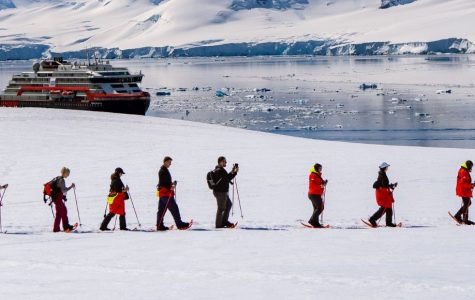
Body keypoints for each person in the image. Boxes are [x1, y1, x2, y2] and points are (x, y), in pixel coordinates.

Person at [156, 157, 190, 231]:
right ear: (165, 162)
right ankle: (180, 224)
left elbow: (164, 183)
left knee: (161, 210)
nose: (170, 164)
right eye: (169, 162)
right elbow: (163, 183)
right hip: (166, 193)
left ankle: (159, 225)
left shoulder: (164, 170)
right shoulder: (162, 171)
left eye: (170, 162)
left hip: (163, 194)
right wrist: (171, 186)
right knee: (174, 208)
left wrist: (172, 184)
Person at [367, 162, 398, 227]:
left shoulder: (382, 174)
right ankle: (373, 219)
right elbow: (382, 185)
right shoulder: (382, 175)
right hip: (383, 194)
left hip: (383, 193)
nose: (387, 168)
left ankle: (388, 223)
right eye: (387, 167)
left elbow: (384, 185)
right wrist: (391, 186)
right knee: (384, 208)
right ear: (384, 168)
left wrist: (391, 186)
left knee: (387, 208)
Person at [211, 156, 238, 228]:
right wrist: (234, 173)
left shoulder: (220, 170)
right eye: (224, 161)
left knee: (228, 205)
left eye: (225, 161)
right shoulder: (219, 170)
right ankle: (219, 225)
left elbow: (225, 177)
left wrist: (233, 172)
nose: (226, 163)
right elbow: (226, 178)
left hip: (223, 192)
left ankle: (224, 221)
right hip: (220, 193)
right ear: (220, 162)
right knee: (221, 208)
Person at [52, 167, 76, 232]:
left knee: (64, 211)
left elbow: (59, 189)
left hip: (58, 198)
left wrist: (63, 197)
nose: (68, 175)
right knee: (59, 213)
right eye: (68, 173)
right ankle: (56, 229)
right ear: (64, 173)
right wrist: (71, 186)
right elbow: (63, 190)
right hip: (57, 199)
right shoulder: (61, 180)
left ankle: (66, 226)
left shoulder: (58, 178)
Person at [453, 160, 475, 224]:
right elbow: (462, 184)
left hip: (464, 190)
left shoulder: (464, 170)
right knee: (467, 203)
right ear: (468, 166)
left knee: (467, 203)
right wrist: (471, 185)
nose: (471, 168)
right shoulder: (464, 172)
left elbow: (465, 182)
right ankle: (462, 219)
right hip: (463, 190)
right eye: (471, 166)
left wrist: (472, 184)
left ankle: (460, 217)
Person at [307, 163, 328, 228]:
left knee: (316, 209)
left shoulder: (317, 175)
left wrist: (324, 183)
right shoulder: (313, 175)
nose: (321, 169)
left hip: (316, 194)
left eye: (321, 168)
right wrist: (321, 185)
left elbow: (318, 183)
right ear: (316, 168)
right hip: (314, 194)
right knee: (320, 208)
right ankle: (312, 221)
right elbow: (313, 185)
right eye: (319, 168)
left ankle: (316, 223)